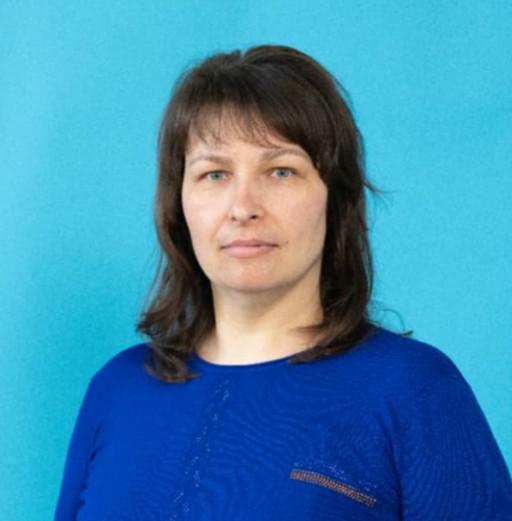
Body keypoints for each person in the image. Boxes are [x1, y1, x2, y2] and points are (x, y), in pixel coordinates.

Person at [55, 45, 512, 520]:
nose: (243, 207)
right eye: (214, 174)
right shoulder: (117, 389)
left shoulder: (413, 390)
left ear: (336, 199)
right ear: (179, 205)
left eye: (280, 171)